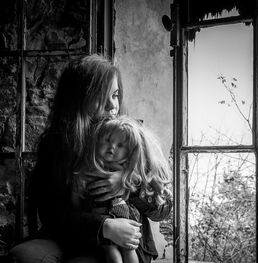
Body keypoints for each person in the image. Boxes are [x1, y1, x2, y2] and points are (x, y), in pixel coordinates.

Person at [10, 54, 172, 263]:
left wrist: (127, 184)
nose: (112, 105)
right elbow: (51, 214)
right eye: (101, 96)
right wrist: (103, 226)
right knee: (25, 257)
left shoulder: (131, 139)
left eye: (115, 95)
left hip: (125, 243)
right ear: (78, 98)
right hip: (71, 236)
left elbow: (163, 209)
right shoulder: (55, 144)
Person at [73, 115, 172, 263]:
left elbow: (162, 207)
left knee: (129, 249)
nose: (112, 147)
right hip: (99, 223)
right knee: (112, 254)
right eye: (107, 140)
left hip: (127, 222)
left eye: (120, 145)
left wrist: (127, 184)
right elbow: (74, 201)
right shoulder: (90, 164)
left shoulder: (133, 163)